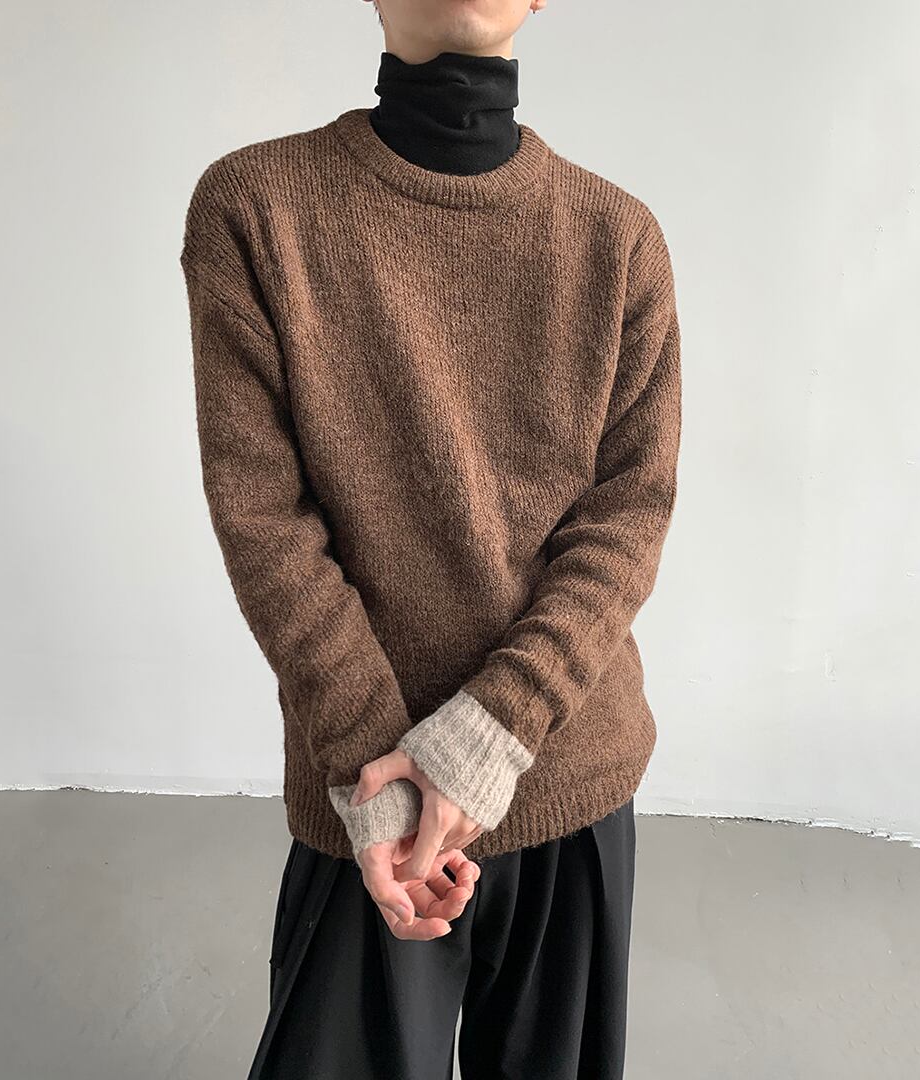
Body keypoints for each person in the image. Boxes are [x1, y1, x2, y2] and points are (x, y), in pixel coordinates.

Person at [178, 2, 682, 1076]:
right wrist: (387, 779)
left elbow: (627, 519)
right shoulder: (256, 208)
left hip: (563, 764)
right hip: (367, 786)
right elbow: (263, 518)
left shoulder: (618, 238)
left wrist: (479, 742)